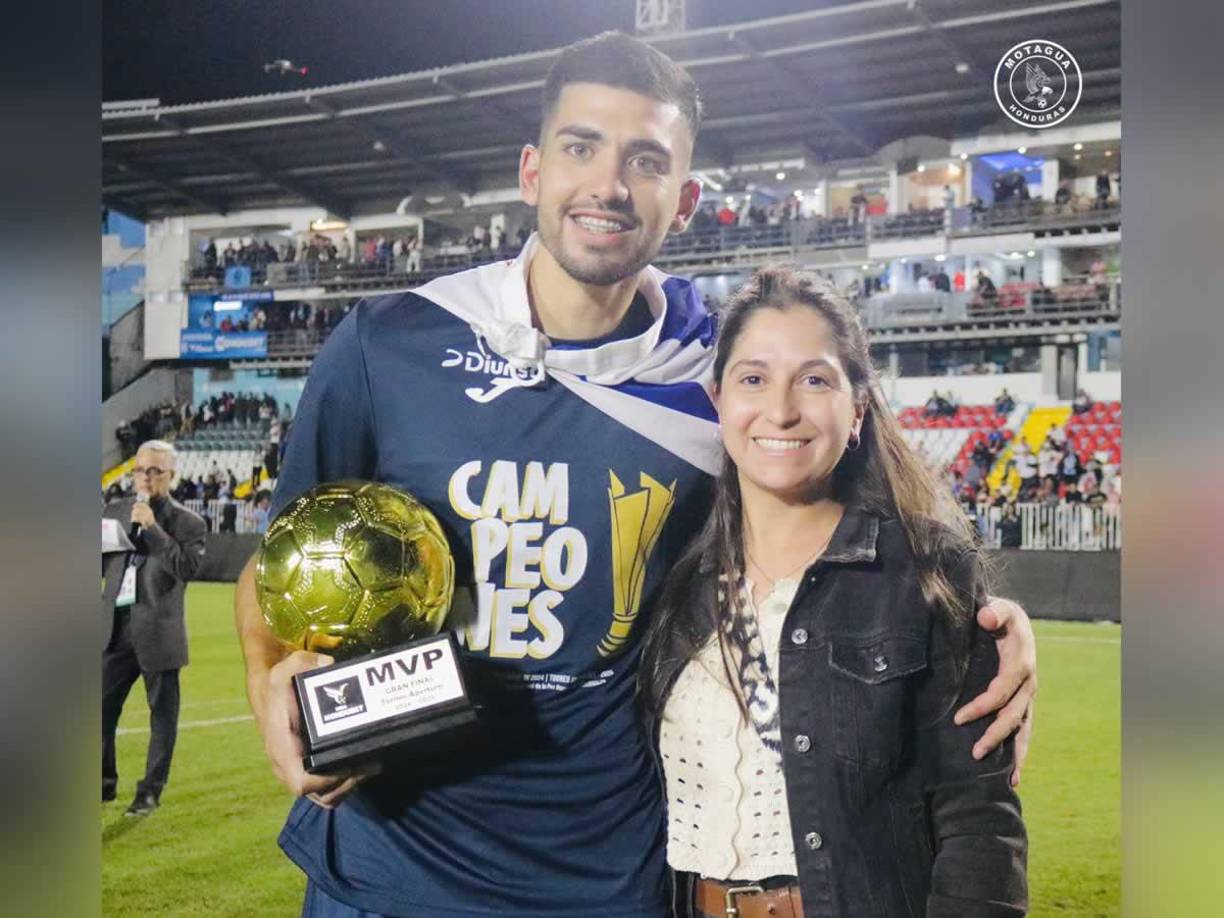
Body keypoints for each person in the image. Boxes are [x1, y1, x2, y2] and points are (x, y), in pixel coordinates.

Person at [233, 32, 1038, 918]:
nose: (609, 185)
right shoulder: (389, 344)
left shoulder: (720, 371)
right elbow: (277, 568)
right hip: (391, 871)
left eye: (645, 160)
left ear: (685, 199)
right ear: (532, 170)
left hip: (612, 880)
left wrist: (987, 629)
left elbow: (861, 523)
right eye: (582, 147)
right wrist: (271, 679)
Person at [638, 268, 1026, 917]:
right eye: (753, 378)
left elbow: (979, 822)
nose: (782, 409)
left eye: (815, 379)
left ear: (858, 410)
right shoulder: (665, 572)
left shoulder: (925, 571)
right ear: (718, 401)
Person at [102, 441, 207, 816]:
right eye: (140, 470)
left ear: (171, 476)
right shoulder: (114, 511)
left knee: (161, 717)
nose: (146, 478)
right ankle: (103, 781)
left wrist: (153, 528)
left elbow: (187, 569)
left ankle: (149, 791)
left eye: (155, 471)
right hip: (114, 627)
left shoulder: (187, 522)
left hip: (158, 630)